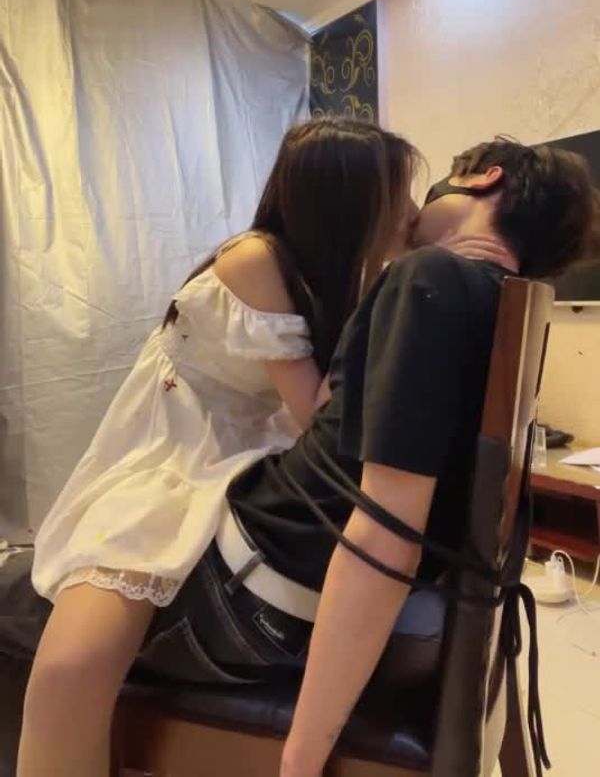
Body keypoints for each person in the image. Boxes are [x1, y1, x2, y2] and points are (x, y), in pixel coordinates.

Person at [17, 135, 597, 776]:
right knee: (64, 611)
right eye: (398, 195)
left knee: (40, 625)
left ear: (482, 179)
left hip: (260, 587)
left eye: (420, 192)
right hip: (202, 472)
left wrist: (303, 754)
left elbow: (385, 531)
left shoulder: (429, 282)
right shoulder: (487, 297)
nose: (410, 212)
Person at [17, 116, 420, 777]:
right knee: (75, 661)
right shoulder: (256, 259)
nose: (411, 211)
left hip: (240, 441)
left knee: (82, 658)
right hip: (175, 445)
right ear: (347, 200)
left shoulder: (331, 276)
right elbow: (314, 412)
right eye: (398, 194)